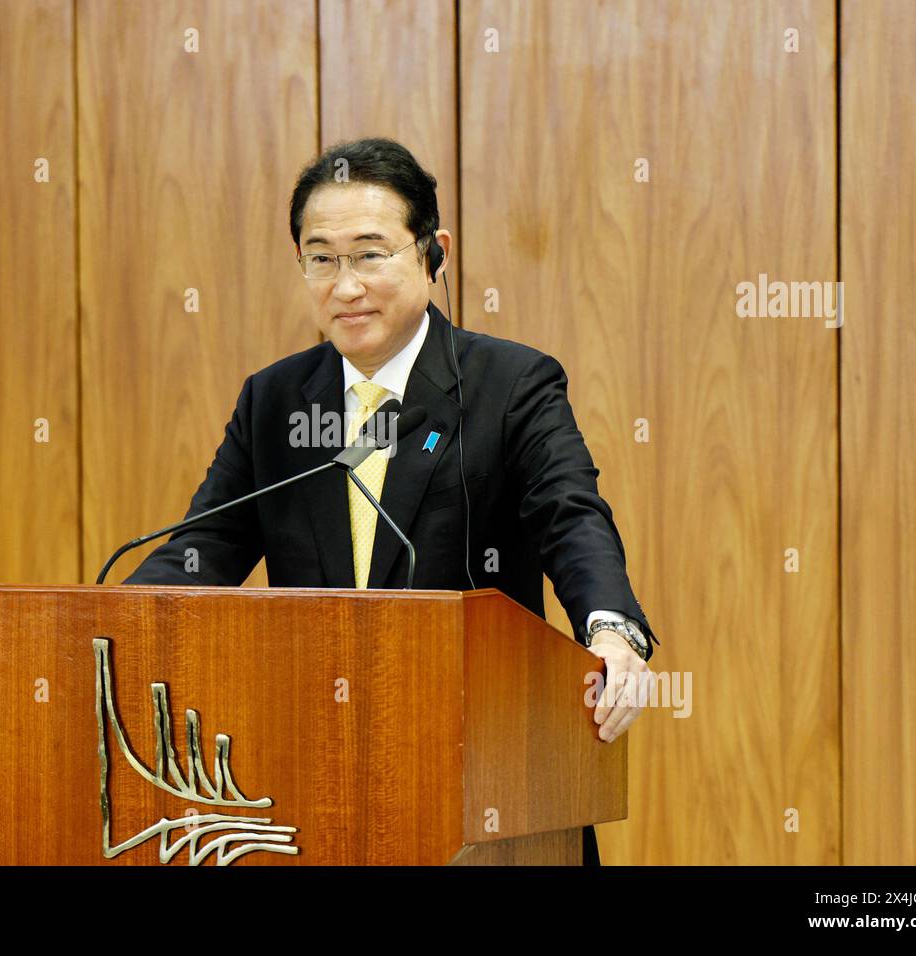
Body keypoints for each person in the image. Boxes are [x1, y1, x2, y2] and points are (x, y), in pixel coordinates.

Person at [125, 137, 659, 866]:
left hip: (487, 774)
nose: (345, 287)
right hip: (312, 782)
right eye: (321, 258)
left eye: (370, 254)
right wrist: (112, 630)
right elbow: (202, 550)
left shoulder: (510, 385)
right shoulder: (276, 400)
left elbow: (571, 516)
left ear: (433, 254)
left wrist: (611, 631)